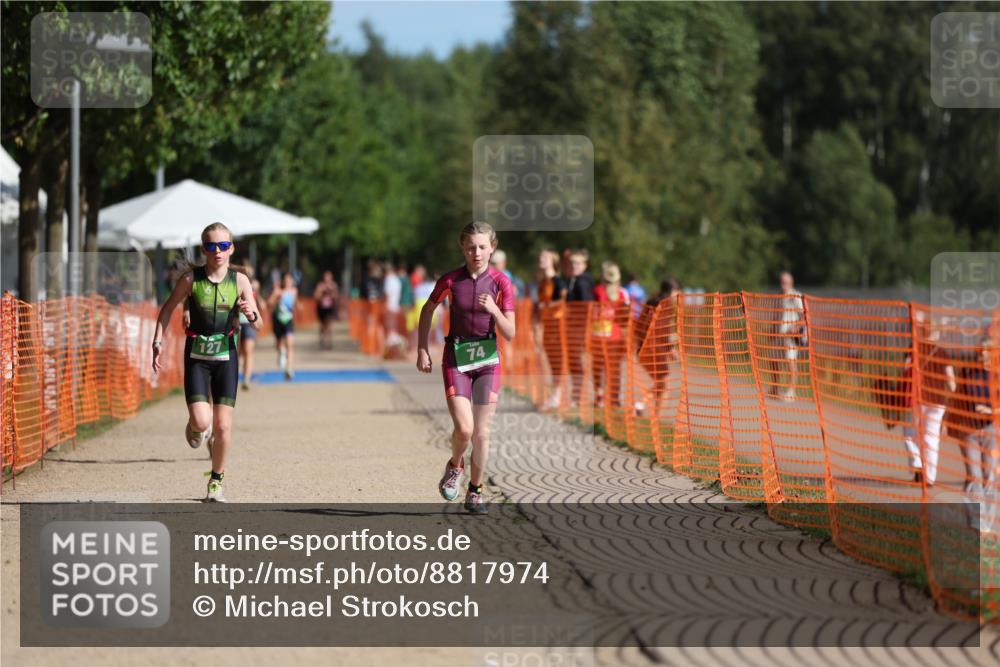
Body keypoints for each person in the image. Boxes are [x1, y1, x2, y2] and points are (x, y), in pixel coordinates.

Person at [151, 222, 263, 503]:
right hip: (197, 358)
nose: (218, 251)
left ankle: (216, 480)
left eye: (224, 246)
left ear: (231, 248)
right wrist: (157, 341)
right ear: (204, 249)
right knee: (203, 422)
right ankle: (196, 426)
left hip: (226, 356)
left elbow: (259, 323)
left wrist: (251, 314)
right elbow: (166, 310)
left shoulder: (240, 281)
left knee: (224, 427)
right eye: (212, 246)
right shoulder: (191, 280)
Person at [416, 222, 516, 515]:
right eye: (471, 246)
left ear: (492, 248)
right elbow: (427, 309)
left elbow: (510, 332)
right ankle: (455, 465)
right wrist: (422, 348)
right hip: (457, 359)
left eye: (483, 247)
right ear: (463, 247)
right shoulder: (450, 280)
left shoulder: (501, 283)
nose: (477, 252)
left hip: (487, 361)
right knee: (464, 428)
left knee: (482, 433)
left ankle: (475, 490)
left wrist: (495, 310)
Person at [946, 340, 996, 530]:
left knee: (989, 476)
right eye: (979, 352)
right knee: (974, 475)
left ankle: (988, 525)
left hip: (992, 429)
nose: (982, 356)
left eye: (985, 353)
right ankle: (977, 522)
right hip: (969, 432)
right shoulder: (967, 373)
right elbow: (958, 399)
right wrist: (949, 423)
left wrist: (991, 411)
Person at [905, 328, 956, 486]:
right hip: (937, 401)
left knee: (910, 434)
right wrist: (951, 398)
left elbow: (905, 372)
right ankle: (929, 478)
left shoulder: (913, 350)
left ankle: (917, 464)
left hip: (916, 399)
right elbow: (951, 382)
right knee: (931, 438)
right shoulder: (942, 353)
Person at [634, 278, 683, 416]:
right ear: (672, 291)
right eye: (677, 291)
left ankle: (641, 405)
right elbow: (662, 330)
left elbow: (640, 326)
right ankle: (655, 416)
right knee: (664, 385)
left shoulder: (651, 303)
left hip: (642, 348)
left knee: (661, 383)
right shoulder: (666, 306)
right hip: (655, 349)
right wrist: (670, 349)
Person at [592, 261, 630, 408]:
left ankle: (611, 396)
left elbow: (625, 316)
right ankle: (604, 395)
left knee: (609, 367)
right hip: (600, 334)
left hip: (613, 336)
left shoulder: (621, 293)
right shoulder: (599, 291)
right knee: (604, 367)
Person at [563, 249, 595, 407]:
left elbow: (587, 305)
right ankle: (577, 394)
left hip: (579, 328)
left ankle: (578, 395)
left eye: (577, 263)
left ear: (584, 265)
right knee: (574, 361)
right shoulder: (574, 280)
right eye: (572, 263)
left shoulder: (582, 282)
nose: (574, 266)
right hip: (574, 327)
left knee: (577, 361)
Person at [535, 249, 566, 411]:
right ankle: (555, 395)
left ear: (553, 261)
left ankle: (557, 395)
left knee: (558, 361)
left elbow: (563, 299)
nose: (541, 259)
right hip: (547, 326)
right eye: (540, 257)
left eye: (545, 257)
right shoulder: (542, 282)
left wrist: (546, 306)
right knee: (551, 361)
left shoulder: (557, 281)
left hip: (557, 325)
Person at [776, 271, 805, 401]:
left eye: (786, 282)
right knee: (776, 361)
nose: (783, 285)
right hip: (781, 334)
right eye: (782, 282)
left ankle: (791, 391)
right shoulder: (781, 297)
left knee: (790, 362)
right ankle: (776, 388)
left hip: (791, 336)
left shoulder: (795, 295)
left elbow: (803, 314)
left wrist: (797, 327)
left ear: (790, 283)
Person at [238, 266, 266, 391]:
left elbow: (259, 301)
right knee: (238, 353)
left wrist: (260, 301)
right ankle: (234, 377)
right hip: (236, 322)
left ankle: (246, 379)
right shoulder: (236, 283)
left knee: (248, 351)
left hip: (250, 323)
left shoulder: (255, 285)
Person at [268, 272, 298, 381]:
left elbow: (294, 305)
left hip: (288, 320)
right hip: (277, 320)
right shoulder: (277, 291)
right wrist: (276, 298)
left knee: (290, 345)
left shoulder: (294, 291)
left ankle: (289, 369)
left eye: (290, 280)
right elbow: (269, 304)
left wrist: (297, 307)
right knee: (279, 344)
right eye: (286, 280)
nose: (288, 282)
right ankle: (281, 352)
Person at [314, 270, 340, 350]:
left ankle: (329, 342)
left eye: (329, 277)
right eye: (326, 277)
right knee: (322, 325)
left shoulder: (334, 285)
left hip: (330, 308)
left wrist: (332, 293)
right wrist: (321, 292)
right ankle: (322, 339)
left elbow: (337, 296)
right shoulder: (320, 285)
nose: (327, 278)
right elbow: (316, 296)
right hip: (321, 308)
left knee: (329, 324)